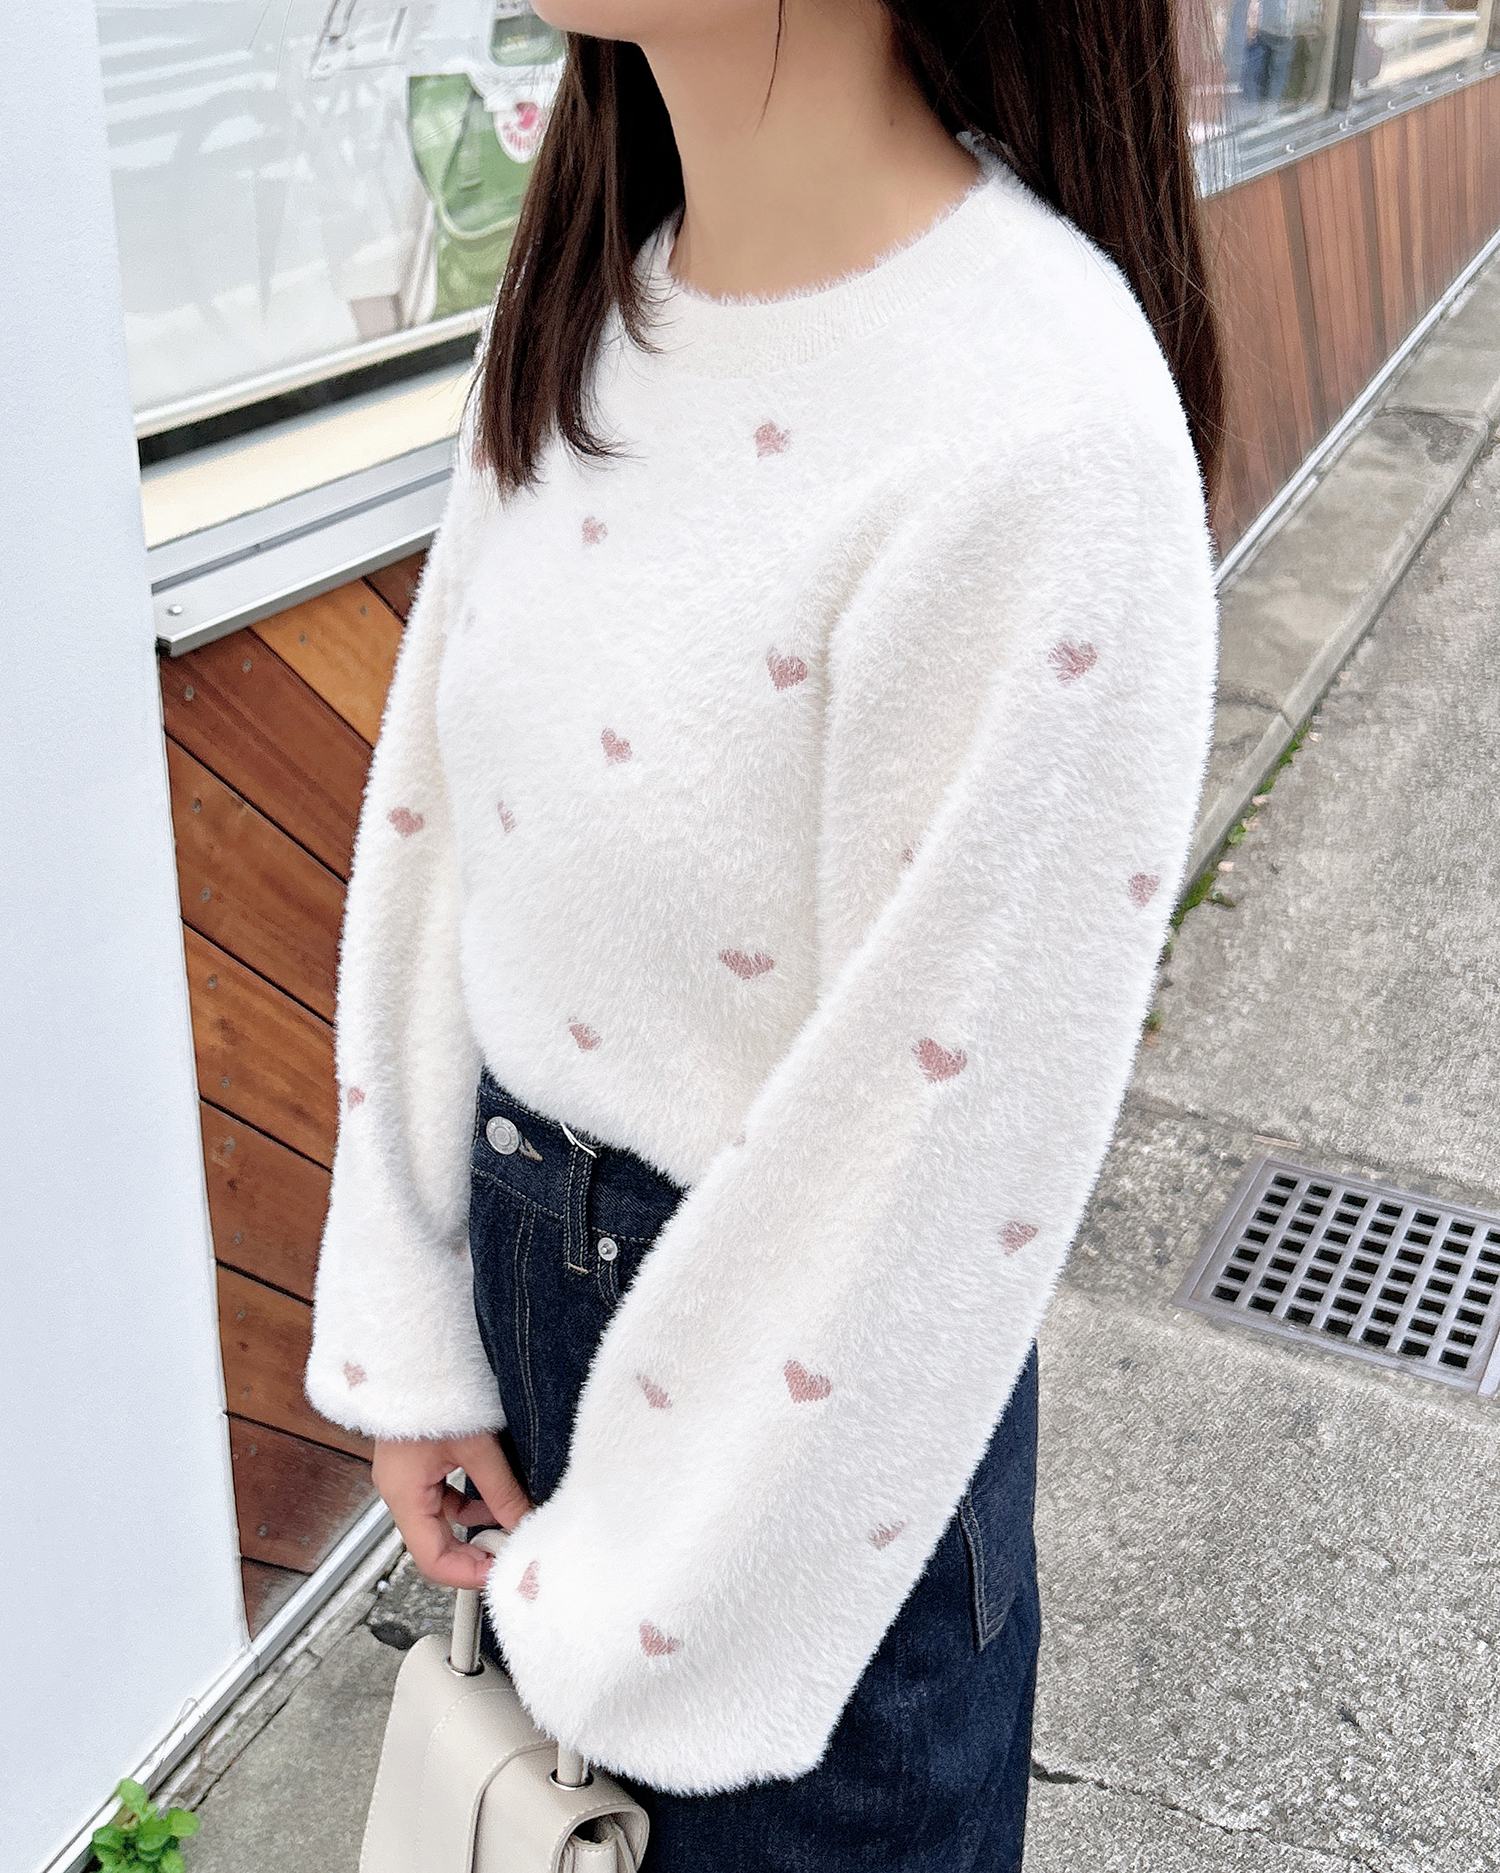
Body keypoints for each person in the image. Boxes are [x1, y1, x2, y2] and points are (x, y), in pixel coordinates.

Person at [305, 2, 1223, 1866]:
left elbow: (940, 1145)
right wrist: (418, 1319)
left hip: (819, 1461)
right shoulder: (589, 304)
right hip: (532, 1303)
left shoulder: (1045, 421)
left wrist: (635, 1588)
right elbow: (442, 833)